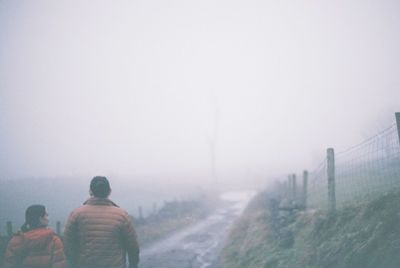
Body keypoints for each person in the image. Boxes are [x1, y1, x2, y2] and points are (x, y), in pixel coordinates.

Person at [64, 176, 139, 268]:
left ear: (90, 191)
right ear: (109, 191)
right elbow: (132, 245)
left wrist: (74, 263)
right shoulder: (121, 215)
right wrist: (133, 264)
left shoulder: (76, 214)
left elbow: (68, 244)